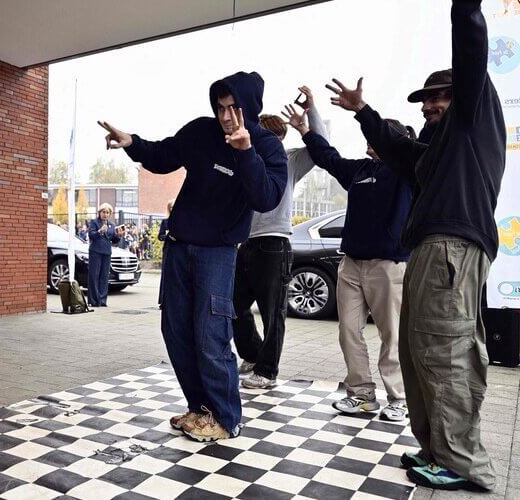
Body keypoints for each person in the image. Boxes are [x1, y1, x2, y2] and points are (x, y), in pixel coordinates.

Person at [327, 0, 505, 490]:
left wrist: (464, 8)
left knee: (446, 353)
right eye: (425, 100)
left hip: (452, 248)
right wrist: (364, 113)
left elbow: (470, 52)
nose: (429, 105)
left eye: (440, 97)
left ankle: (460, 460)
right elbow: (400, 150)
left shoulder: (472, 122)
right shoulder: (437, 154)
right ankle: (435, 449)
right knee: (419, 353)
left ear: (461, 96)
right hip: (431, 251)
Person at [99, 70, 287, 441]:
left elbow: (266, 197)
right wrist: (131, 142)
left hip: (218, 252)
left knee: (210, 334)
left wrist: (245, 153)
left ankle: (226, 416)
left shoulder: (267, 147)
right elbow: (162, 154)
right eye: (220, 108)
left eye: (234, 108)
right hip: (180, 246)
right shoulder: (202, 131)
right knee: (176, 331)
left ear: (249, 108)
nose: (227, 117)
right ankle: (200, 409)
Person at [283, 104, 413, 422]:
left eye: (373, 135)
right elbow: (329, 158)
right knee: (348, 331)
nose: (367, 140)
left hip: (389, 265)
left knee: (392, 334)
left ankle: (400, 398)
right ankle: (362, 394)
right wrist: (306, 132)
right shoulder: (359, 171)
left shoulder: (407, 172)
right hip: (351, 265)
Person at [232, 86, 328, 390]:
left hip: (274, 243)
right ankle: (252, 354)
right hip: (246, 243)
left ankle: (268, 371)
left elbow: (322, 146)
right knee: (232, 304)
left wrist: (311, 112)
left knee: (274, 313)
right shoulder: (245, 160)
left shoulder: (289, 161)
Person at [87, 203, 119, 307]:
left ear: (110, 214)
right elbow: (91, 235)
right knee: (94, 276)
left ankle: (102, 300)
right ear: (99, 212)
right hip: (95, 252)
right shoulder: (94, 222)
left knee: (104, 277)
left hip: (106, 252)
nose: (105, 214)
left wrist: (119, 235)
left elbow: (114, 240)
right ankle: (94, 301)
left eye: (107, 212)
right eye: (103, 212)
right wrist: (100, 231)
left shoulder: (112, 225)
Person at [157, 200, 175, 307]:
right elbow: (160, 236)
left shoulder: (182, 221)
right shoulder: (165, 222)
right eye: (171, 207)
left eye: (174, 207)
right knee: (166, 274)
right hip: (168, 249)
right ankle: (163, 301)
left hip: (179, 251)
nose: (173, 209)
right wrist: (168, 236)